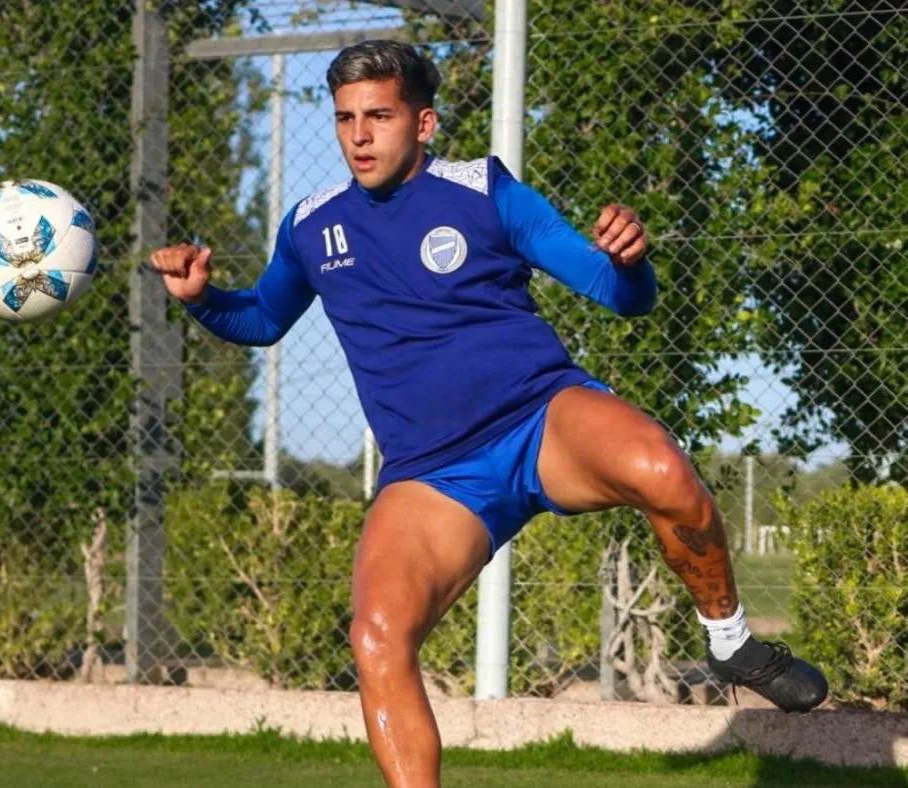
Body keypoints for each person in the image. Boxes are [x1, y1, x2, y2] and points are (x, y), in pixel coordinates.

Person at [149, 40, 827, 788]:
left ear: (425, 122)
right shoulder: (311, 227)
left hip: (541, 422)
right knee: (377, 639)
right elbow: (263, 321)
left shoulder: (486, 192)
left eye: (379, 115)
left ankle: (731, 642)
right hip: (433, 477)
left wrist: (632, 262)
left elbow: (620, 297)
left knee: (662, 469)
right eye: (345, 119)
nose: (360, 136)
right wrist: (204, 299)